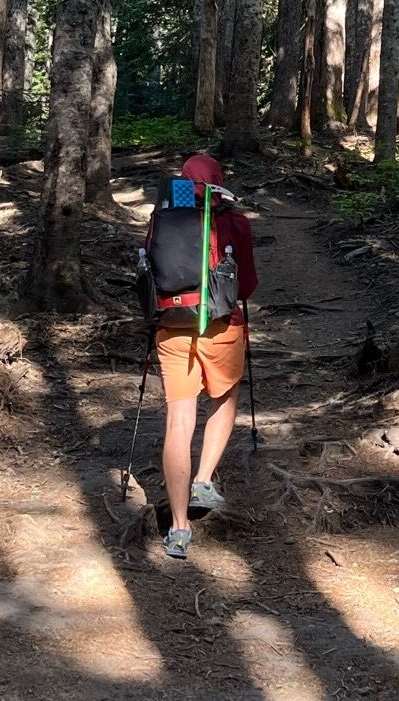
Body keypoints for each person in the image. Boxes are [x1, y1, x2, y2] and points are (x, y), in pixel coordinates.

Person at [153, 155, 257, 559]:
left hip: (171, 325)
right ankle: (203, 479)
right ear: (219, 181)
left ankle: (179, 529)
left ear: (182, 181)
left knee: (179, 420)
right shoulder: (235, 221)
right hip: (221, 325)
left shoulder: (163, 217)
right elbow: (246, 285)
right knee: (224, 397)